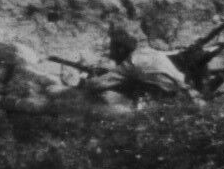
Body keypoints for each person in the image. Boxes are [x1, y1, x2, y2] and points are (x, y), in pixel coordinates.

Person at [48, 23, 199, 116]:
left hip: (166, 96)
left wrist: (85, 81)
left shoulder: (129, 64)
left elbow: (97, 84)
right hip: (182, 89)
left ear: (121, 50)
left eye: (113, 51)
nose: (111, 54)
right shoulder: (148, 52)